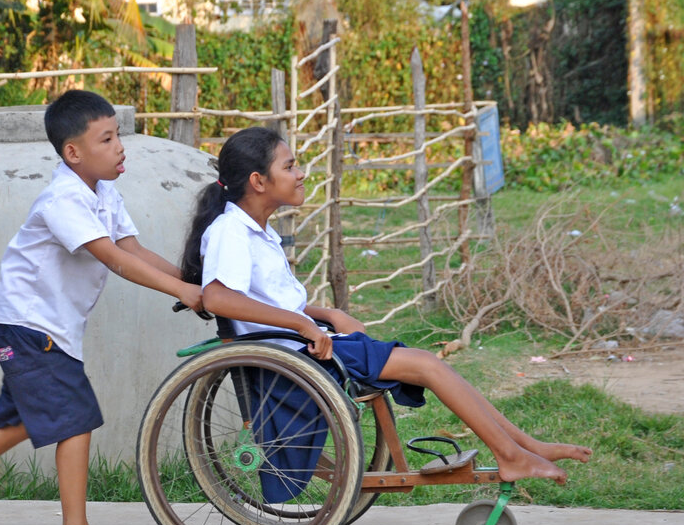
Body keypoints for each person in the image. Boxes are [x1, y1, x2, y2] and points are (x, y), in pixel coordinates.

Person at [180, 125, 591, 488]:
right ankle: (512, 454)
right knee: (427, 365)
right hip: (293, 357)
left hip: (306, 342)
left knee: (428, 363)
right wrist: (303, 325)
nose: (301, 173)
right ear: (258, 181)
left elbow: (265, 299)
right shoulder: (230, 231)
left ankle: (523, 446)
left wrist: (324, 315)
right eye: (290, 166)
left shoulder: (258, 231)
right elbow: (219, 298)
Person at [0, 90, 203, 525]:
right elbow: (113, 258)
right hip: (31, 327)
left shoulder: (104, 192)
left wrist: (191, 282)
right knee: (75, 417)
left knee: (18, 420)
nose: (120, 147)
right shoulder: (62, 200)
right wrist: (182, 293)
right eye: (107, 139)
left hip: (43, 327)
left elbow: (132, 248)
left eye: (118, 136)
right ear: (73, 152)